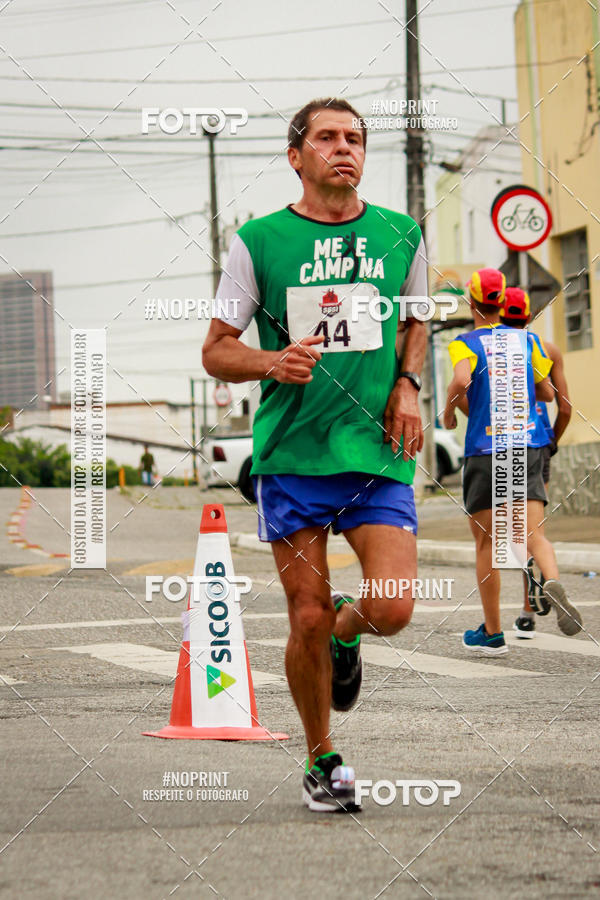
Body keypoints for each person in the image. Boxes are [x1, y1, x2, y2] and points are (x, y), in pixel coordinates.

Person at [203, 97, 428, 813]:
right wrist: (270, 361)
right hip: (293, 453)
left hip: (375, 449)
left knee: (392, 606)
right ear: (296, 156)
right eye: (327, 137)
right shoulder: (258, 241)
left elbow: (417, 321)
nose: (344, 148)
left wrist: (409, 385)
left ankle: (347, 634)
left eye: (355, 138)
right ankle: (320, 758)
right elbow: (216, 350)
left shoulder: (401, 233)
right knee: (305, 613)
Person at [442, 269, 582, 656]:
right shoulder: (528, 341)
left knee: (487, 543)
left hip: (485, 449)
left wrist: (449, 411)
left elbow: (461, 381)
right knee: (533, 534)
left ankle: (492, 633)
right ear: (502, 302)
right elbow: (547, 393)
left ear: (471, 302)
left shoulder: (464, 343)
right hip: (528, 446)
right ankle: (550, 579)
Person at [499, 287, 572, 638]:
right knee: (535, 530)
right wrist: (552, 440)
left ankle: (526, 613)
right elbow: (565, 407)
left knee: (516, 531)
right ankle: (547, 582)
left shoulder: (491, 349)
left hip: (502, 444)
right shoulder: (546, 349)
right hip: (539, 443)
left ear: (500, 316)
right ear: (529, 316)